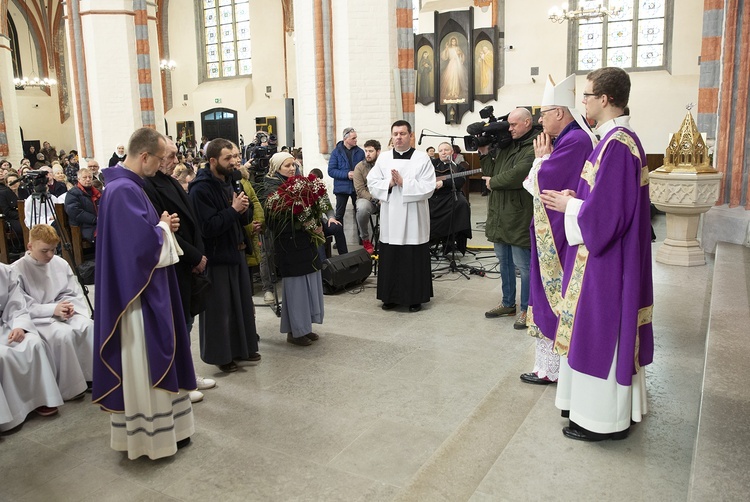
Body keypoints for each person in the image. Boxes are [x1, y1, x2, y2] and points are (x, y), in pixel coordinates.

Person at [539, 67, 653, 441]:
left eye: (586, 96)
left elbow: (609, 217)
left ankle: (603, 420)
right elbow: (606, 200)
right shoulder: (612, 140)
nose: (583, 102)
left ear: (604, 99)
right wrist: (578, 199)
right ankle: (585, 409)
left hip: (607, 260)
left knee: (600, 331)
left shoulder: (618, 143)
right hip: (603, 254)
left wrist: (571, 208)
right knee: (589, 329)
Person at [92, 127, 196, 460]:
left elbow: (139, 235)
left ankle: (171, 430)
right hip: (138, 299)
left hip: (144, 290)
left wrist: (162, 225)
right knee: (146, 360)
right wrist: (162, 229)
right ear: (144, 156)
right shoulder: (123, 191)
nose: (162, 165)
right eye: (160, 158)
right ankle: (153, 438)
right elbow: (139, 250)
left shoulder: (125, 187)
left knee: (153, 360)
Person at [519, 74, 596, 386]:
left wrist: (541, 160)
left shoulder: (575, 140)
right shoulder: (569, 139)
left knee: (553, 294)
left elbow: (538, 184)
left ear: (561, 113)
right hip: (554, 227)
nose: (540, 119)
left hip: (560, 231)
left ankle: (553, 369)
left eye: (544, 113)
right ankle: (547, 366)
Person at [143, 138, 215, 403]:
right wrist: (195, 256)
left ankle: (188, 373)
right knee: (177, 325)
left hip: (189, 259)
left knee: (186, 321)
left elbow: (189, 221)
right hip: (175, 262)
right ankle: (179, 381)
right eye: (171, 156)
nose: (177, 161)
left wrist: (199, 252)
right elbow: (166, 229)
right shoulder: (148, 186)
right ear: (156, 156)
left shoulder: (171, 180)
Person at [189, 138, 260, 373]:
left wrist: (244, 212)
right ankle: (221, 355)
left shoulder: (232, 182)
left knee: (241, 304)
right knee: (220, 309)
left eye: (235, 157)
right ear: (212, 161)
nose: (233, 162)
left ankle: (243, 348)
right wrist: (233, 210)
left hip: (237, 250)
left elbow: (241, 215)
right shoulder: (200, 189)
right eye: (227, 158)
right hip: (217, 256)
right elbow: (207, 227)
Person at [13, 224, 93, 400]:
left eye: (53, 250)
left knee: (87, 326)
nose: (50, 255)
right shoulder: (17, 270)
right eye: (44, 251)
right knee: (61, 335)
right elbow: (21, 305)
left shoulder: (59, 262)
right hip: (39, 318)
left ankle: (91, 377)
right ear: (30, 247)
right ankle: (71, 387)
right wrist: (52, 310)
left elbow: (71, 291)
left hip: (63, 311)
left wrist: (69, 307)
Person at [480, 107, 540, 330]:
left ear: (527, 122)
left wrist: (493, 182)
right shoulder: (508, 144)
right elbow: (489, 171)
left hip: (519, 214)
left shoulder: (534, 145)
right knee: (503, 262)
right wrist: (485, 150)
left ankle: (526, 309)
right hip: (499, 213)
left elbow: (519, 174)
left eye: (514, 124)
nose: (510, 128)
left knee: (523, 265)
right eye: (509, 124)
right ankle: (507, 303)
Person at [367, 120, 435, 312]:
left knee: (412, 257)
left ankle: (414, 298)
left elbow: (429, 186)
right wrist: (389, 183)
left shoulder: (422, 158)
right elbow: (372, 182)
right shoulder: (384, 158)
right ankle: (389, 297)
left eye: (402, 134)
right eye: (395, 134)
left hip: (414, 216)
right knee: (391, 256)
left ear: (410, 136)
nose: (398, 137)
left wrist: (405, 182)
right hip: (391, 214)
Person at [265, 153, 329, 346]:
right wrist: (305, 223)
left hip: (305, 243)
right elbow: (274, 220)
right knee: (296, 289)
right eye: (287, 166)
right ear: (276, 168)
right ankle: (295, 331)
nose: (292, 168)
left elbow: (311, 206)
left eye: (293, 164)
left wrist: (315, 222)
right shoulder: (271, 187)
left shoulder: (298, 183)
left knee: (309, 284)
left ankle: (304, 327)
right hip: (289, 245)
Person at [0, 263, 63, 432]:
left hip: (6, 325)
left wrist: (19, 326)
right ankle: (6, 416)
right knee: (3, 354)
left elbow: (16, 305)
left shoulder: (4, 271)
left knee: (33, 343)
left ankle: (40, 399)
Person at [429, 142, 472, 254]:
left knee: (462, 204)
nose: (443, 152)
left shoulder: (458, 168)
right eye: (441, 150)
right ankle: (431, 240)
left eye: (446, 150)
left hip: (452, 195)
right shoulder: (432, 164)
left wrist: (443, 183)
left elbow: (460, 181)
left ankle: (453, 241)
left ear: (452, 152)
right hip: (435, 196)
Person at [328, 127, 365, 226]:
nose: (356, 140)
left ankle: (362, 239)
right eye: (353, 138)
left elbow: (364, 169)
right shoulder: (336, 152)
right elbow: (331, 171)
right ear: (345, 139)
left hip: (357, 187)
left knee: (360, 213)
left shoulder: (360, 152)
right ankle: (340, 239)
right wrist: (346, 174)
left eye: (356, 137)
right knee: (339, 215)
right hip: (341, 188)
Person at [308, 168, 347, 259]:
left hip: (321, 222)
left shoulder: (320, 190)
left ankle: (345, 258)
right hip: (310, 226)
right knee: (318, 236)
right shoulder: (304, 191)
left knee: (337, 226)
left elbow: (328, 207)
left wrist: (331, 217)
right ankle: (324, 265)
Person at [353, 139, 381, 255]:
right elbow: (360, 190)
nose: (367, 154)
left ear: (378, 152)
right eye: (366, 151)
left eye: (371, 151)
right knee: (362, 208)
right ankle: (365, 239)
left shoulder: (384, 165)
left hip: (385, 198)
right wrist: (375, 199)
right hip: (368, 199)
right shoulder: (359, 167)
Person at [63, 167, 100, 243]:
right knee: (105, 236)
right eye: (84, 177)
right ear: (79, 179)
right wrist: (95, 219)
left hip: (100, 223)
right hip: (84, 227)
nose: (88, 179)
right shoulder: (73, 193)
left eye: (90, 177)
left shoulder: (98, 192)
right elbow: (75, 212)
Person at [440, 36, 468, 102]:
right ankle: (450, 92)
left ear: (456, 42)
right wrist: (446, 49)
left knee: (456, 78)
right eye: (452, 41)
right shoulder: (449, 48)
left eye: (454, 41)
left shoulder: (458, 48)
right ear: (451, 42)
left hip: (457, 64)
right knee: (450, 78)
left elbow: (462, 56)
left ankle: (455, 92)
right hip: (451, 64)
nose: (453, 42)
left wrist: (460, 54)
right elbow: (445, 56)